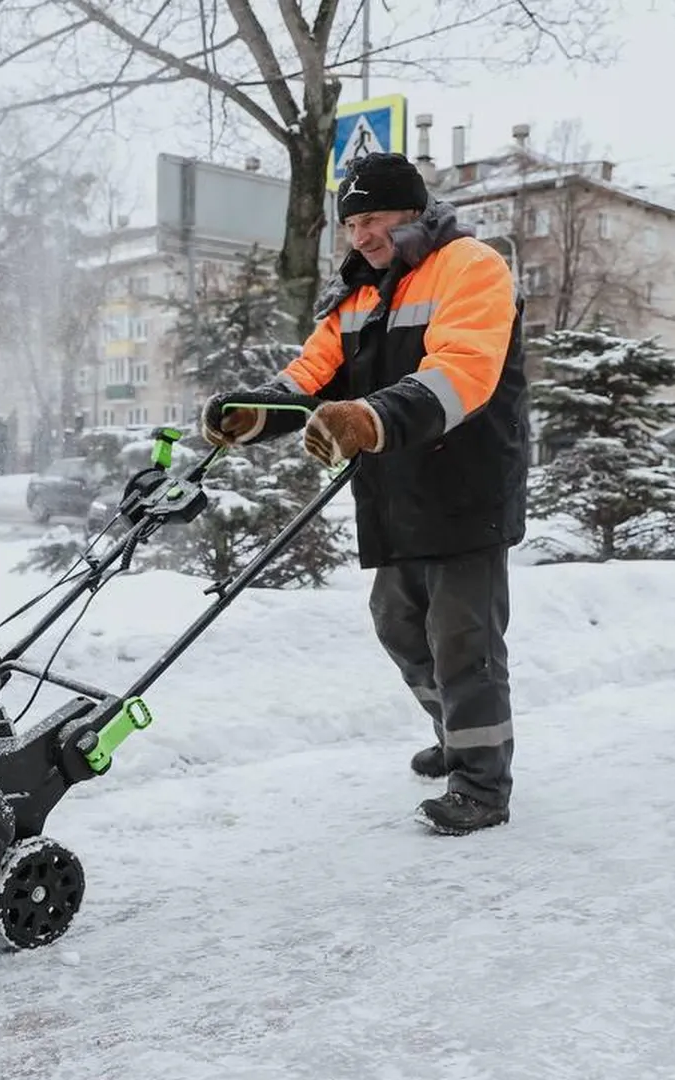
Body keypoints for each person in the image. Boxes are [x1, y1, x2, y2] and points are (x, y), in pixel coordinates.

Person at [201, 152, 528, 836]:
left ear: (411, 212)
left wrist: (369, 418)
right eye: (350, 224)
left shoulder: (471, 266)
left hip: (464, 486)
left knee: (462, 639)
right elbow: (310, 377)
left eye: (372, 219)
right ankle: (456, 735)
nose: (361, 236)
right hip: (395, 490)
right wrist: (254, 413)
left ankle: (481, 784)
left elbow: (462, 372)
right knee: (399, 625)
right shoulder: (357, 294)